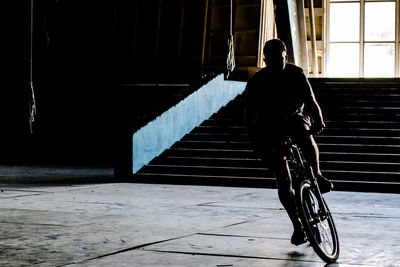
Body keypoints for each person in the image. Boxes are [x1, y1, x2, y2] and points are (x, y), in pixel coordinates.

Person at [244, 39, 333, 246]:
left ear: (287, 57)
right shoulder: (256, 81)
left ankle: (317, 175)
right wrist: (258, 142)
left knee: (303, 133)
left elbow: (311, 101)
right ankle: (297, 226)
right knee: (283, 180)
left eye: (280, 59)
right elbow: (249, 118)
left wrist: (318, 120)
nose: (275, 64)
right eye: (271, 60)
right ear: (264, 59)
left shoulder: (296, 73)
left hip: (295, 116)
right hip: (270, 127)